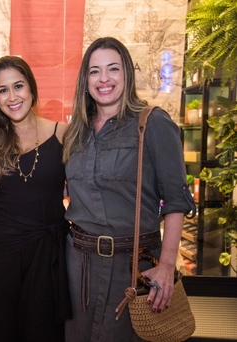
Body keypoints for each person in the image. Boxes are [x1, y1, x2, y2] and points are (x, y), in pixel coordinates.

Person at [62, 37, 196, 341]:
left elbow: (176, 200)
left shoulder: (152, 123)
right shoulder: (76, 132)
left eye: (113, 69)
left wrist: (166, 265)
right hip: (78, 267)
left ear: (127, 75)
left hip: (133, 267)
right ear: (85, 79)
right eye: (95, 71)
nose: (104, 79)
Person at [0, 55, 71, 341]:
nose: (12, 96)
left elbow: (82, 190)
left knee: (45, 333)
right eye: (3, 90)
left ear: (32, 90)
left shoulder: (62, 134)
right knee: (2, 332)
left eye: (18, 86)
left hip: (48, 254)